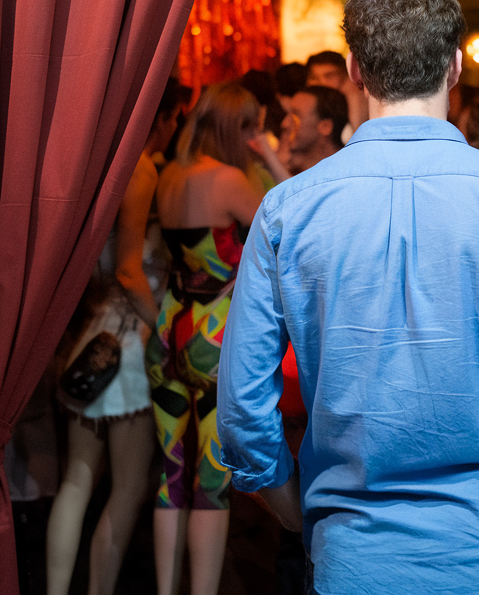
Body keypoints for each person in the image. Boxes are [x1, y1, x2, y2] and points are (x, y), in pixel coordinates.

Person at [217, 0, 479, 595]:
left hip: (353, 556)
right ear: (456, 66)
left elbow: (244, 408)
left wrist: (298, 514)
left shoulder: (287, 211)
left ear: (354, 68)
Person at [46, 78, 185, 595]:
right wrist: (166, 330)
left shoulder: (93, 167)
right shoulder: (141, 169)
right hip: (127, 342)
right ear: (162, 118)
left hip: (86, 335)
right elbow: (129, 270)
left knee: (77, 482)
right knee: (127, 487)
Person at [146, 83, 272, 595]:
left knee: (171, 475)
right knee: (213, 481)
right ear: (233, 128)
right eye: (251, 128)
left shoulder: (170, 176)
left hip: (169, 331)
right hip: (216, 339)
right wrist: (271, 161)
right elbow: (287, 228)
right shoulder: (229, 181)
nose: (255, 138)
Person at [281, 85, 349, 175]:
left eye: (295, 117)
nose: (284, 124)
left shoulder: (347, 173)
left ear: (325, 127)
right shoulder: (292, 169)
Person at [305, 49, 368, 137]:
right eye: (314, 77)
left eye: (329, 76)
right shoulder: (304, 108)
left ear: (346, 78)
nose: (321, 83)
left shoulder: (353, 103)